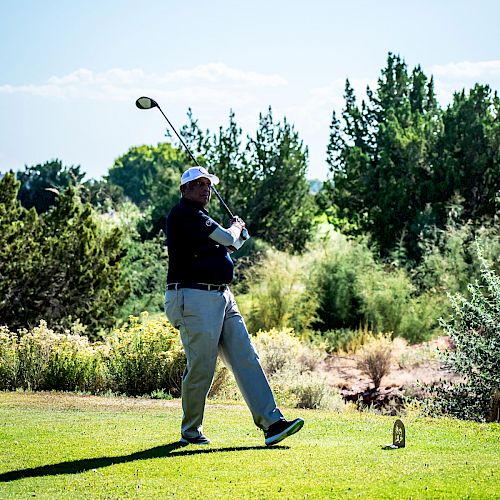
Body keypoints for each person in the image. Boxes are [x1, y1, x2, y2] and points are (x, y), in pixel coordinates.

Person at [164, 166, 304, 446]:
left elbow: (229, 245)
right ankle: (190, 430)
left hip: (221, 296)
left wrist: (239, 236)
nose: (205, 188)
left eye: (207, 184)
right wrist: (237, 228)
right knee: (202, 367)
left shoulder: (201, 217)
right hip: (192, 297)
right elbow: (228, 238)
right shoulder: (185, 214)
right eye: (199, 184)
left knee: (246, 357)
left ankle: (272, 423)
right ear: (185, 189)